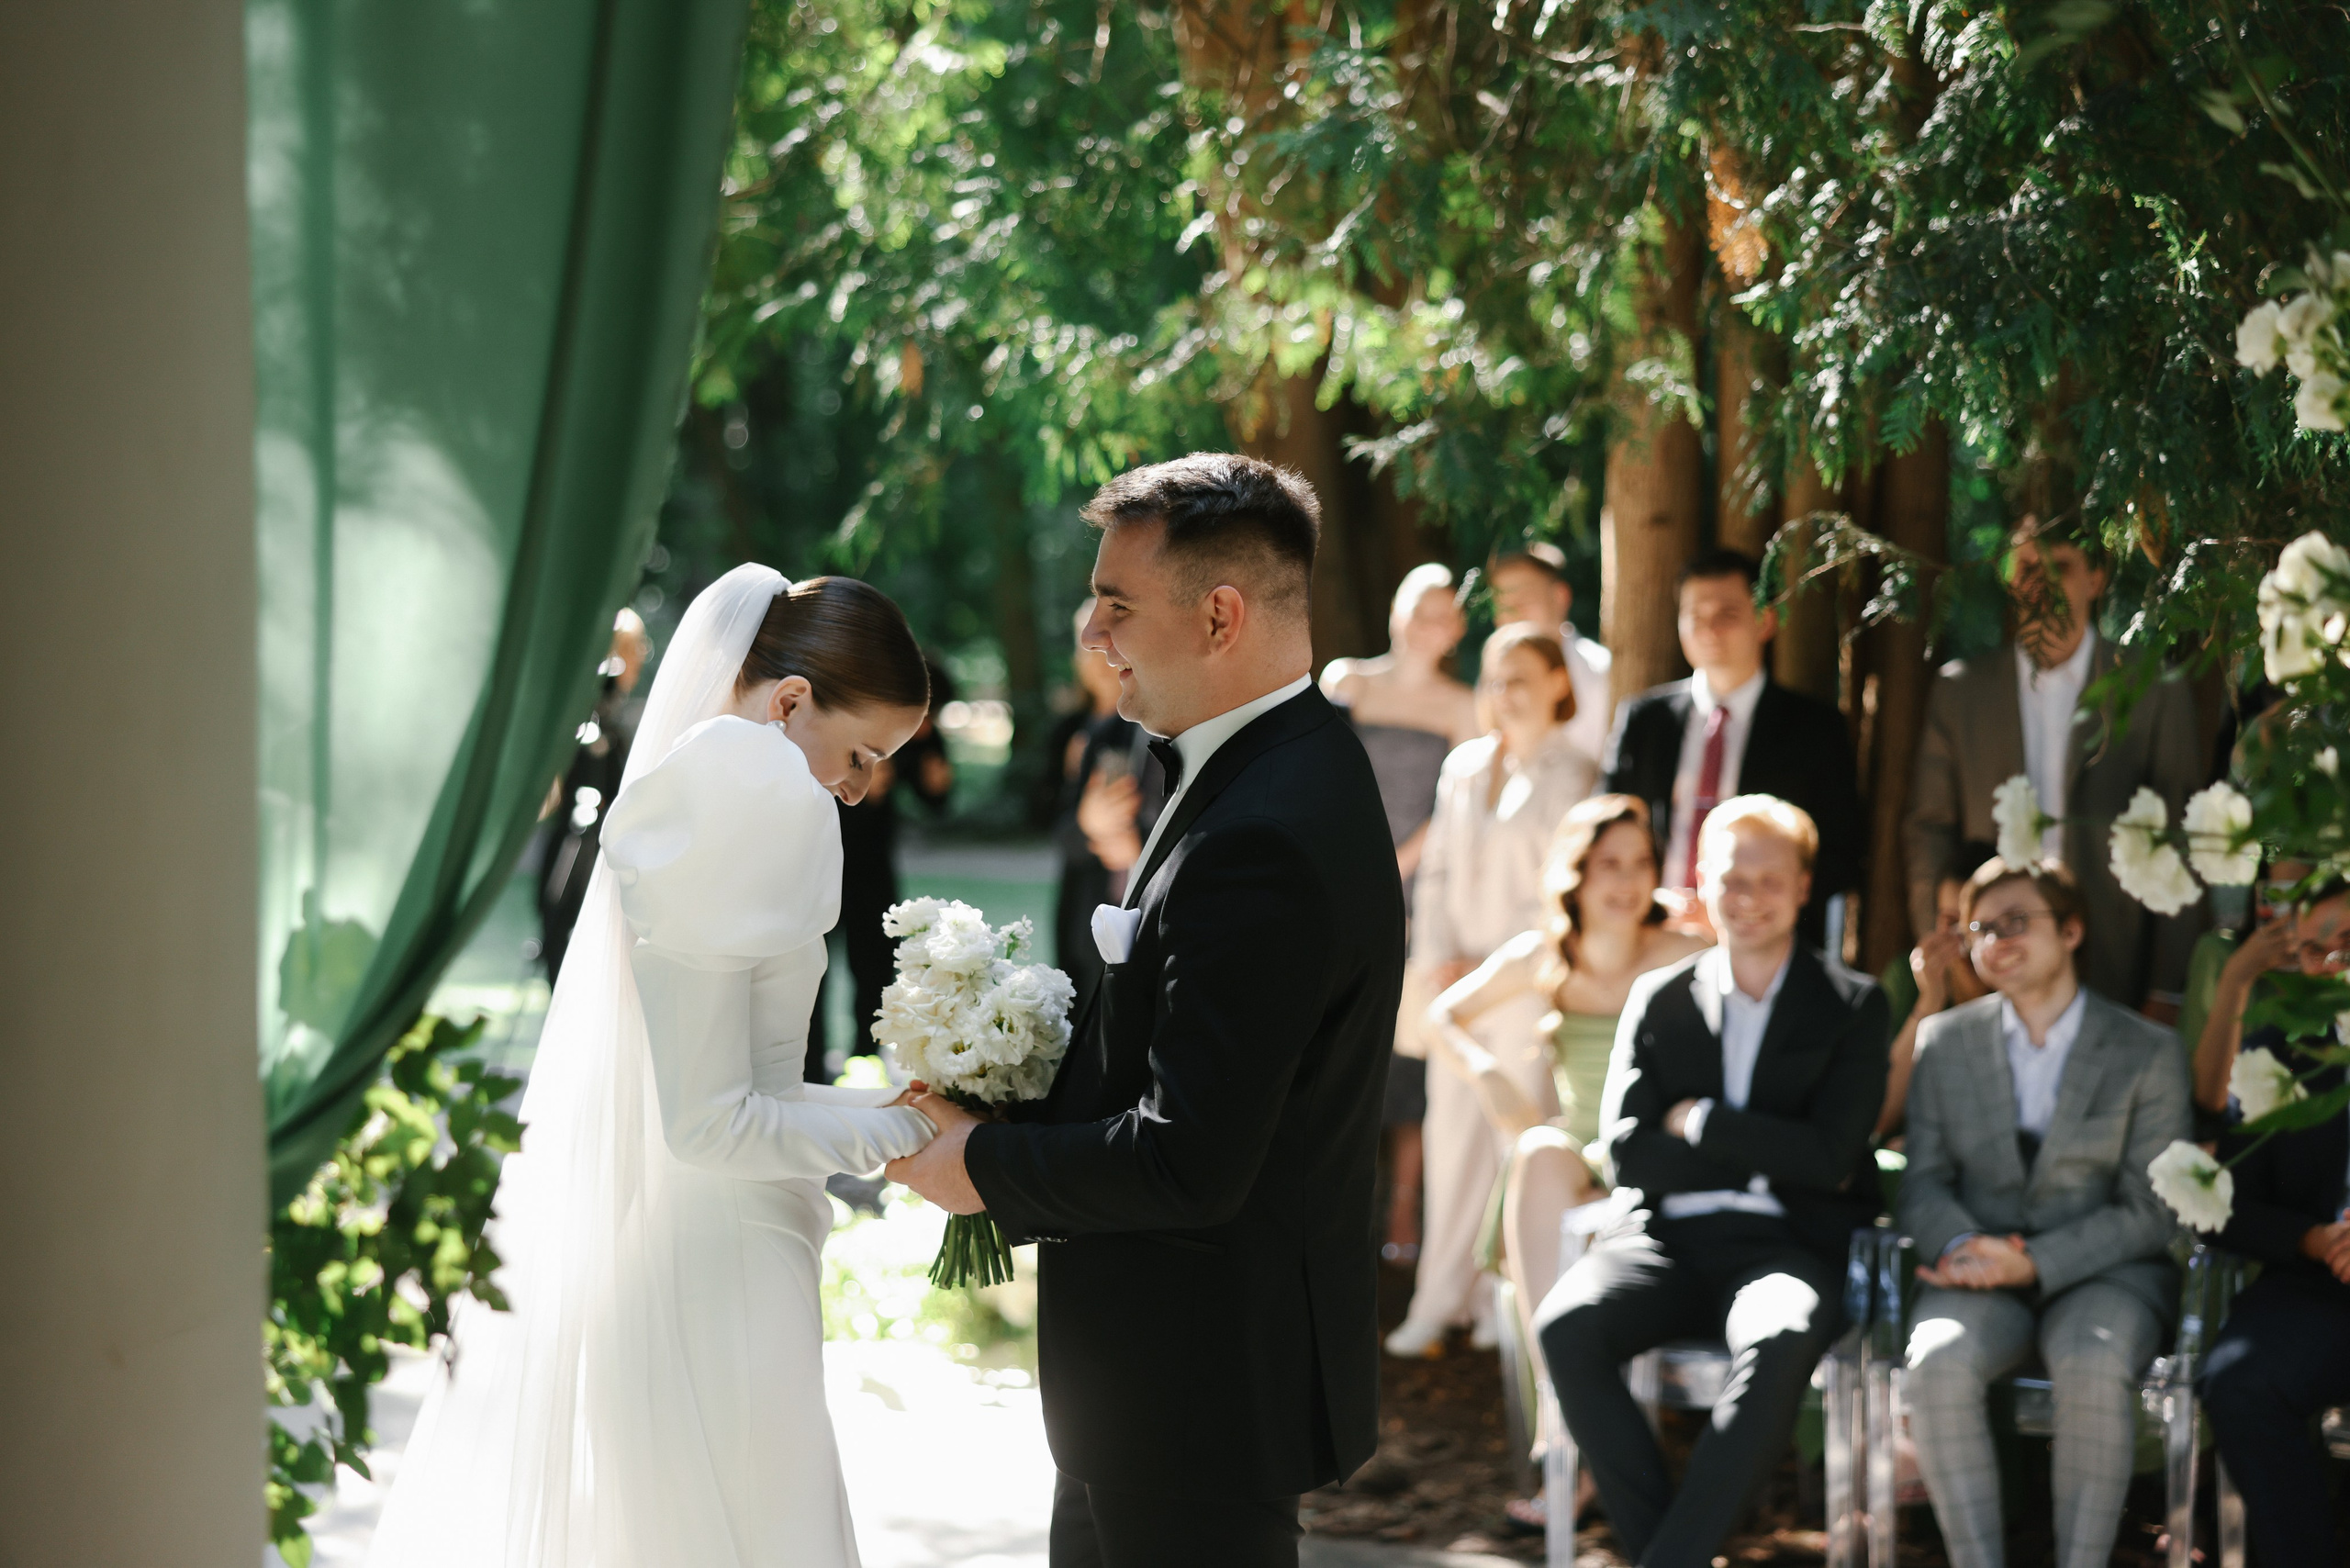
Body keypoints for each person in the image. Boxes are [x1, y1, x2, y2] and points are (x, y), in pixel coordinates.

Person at [368, 567, 946, 1568]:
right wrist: (910, 1132)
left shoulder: (714, 782)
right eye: (860, 755)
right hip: (721, 1258)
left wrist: (897, 1105)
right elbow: (714, 1122)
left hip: (707, 1237)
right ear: (791, 701)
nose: (859, 787)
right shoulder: (751, 789)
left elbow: (749, 1089)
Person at [886, 454, 1404, 1568]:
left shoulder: (1264, 830)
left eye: (1115, 605)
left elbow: (1189, 1161)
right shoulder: (1266, 764)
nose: (1091, 634)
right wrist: (1013, 1101)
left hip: (1198, 1395)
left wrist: (981, 1165)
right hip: (1158, 1386)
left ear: (1218, 615)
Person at [1534, 796, 1888, 1568]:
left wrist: (1699, 1121)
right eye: (1732, 878)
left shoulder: (1852, 1005)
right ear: (1701, 881)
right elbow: (1628, 1154)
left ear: (1803, 887)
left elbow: (1830, 1159)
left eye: (1770, 880)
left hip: (1786, 1246)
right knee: (1566, 1324)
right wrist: (1770, 1148)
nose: (1749, 897)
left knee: (1782, 1333)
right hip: (1663, 1239)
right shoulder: (1658, 998)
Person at [1422, 794, 1709, 1529]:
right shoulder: (1544, 954)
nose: (1626, 880)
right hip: (1577, 1156)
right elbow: (1439, 1013)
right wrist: (1489, 1073)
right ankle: (1567, 1432)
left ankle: (1578, 1453)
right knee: (1537, 1151)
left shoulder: (1682, 952)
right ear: (1575, 874)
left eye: (1640, 863)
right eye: (1609, 863)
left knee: (1553, 1173)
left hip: (1654, 1154)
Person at [1897, 857, 2191, 1568]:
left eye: (2016, 922)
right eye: (1980, 929)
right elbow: (1922, 1183)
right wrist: (1962, 1246)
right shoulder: (1943, 1041)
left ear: (2072, 931)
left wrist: (2031, 1262)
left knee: (2092, 1361)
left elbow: (2154, 1208)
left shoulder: (2148, 1050)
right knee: (1936, 1362)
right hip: (1975, 1269)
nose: (1996, 941)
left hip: (2107, 1274)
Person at [1387, 623, 1594, 1356]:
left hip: (1525, 988)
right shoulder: (1465, 765)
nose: (1505, 694)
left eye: (1522, 679)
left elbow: (1562, 893)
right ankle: (1437, 1301)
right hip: (1453, 989)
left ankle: (1500, 1306)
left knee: (1516, 1143)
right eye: (1496, 679)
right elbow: (1437, 871)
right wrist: (1438, 957)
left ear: (1559, 683)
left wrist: (1488, 967)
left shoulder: (1578, 774)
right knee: (1450, 1143)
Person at [1905, 514, 2206, 1014]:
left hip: (2115, 961)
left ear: (2096, 578)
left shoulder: (2153, 689)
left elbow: (2182, 838)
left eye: (2060, 566)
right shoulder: (1961, 692)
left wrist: (2167, 986)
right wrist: (1944, 953)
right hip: (1988, 963)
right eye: (2027, 567)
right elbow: (1929, 828)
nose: (2040, 582)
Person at [1321, 561, 1481, 1263]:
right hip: (1336, 878)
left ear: (1458, 629)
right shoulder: (1347, 682)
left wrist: (1394, 871)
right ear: (1395, 611)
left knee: (1406, 1056)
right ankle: (1338, 1201)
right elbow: (1318, 776)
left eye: (1445, 614)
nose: (1429, 625)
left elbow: (1459, 811)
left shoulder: (1464, 706)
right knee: (1336, 1045)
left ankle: (1404, 1210)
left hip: (1418, 891)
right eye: (1420, 608)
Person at [1602, 548, 1863, 946]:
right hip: (1649, 933)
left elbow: (1838, 852)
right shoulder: (1644, 720)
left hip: (1760, 940)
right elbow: (1606, 829)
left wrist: (1734, 909)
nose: (1710, 630)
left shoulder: (1814, 729)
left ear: (1765, 621)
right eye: (1695, 616)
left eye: (1727, 615)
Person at [2199, 888, 2350, 1567]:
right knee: (2242, 1382)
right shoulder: (2275, 1052)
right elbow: (2227, 1206)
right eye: (2314, 950)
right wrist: (2314, 1239)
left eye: (2348, 942)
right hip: (2318, 1280)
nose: (2332, 964)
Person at [537, 608, 649, 980]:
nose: (640, 657)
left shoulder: (611, 720)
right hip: (578, 854)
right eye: (635, 648)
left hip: (595, 850)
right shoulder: (589, 719)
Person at [1875, 841, 1995, 1138]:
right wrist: (1929, 1002)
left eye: (1975, 924)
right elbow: (1879, 1115)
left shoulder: (2019, 987)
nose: (1964, 937)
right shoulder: (1907, 979)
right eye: (1951, 921)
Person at [2184, 859, 2309, 1125]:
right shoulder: (2219, 955)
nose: (2288, 916)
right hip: (2236, 1132)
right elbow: (2207, 1100)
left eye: (2304, 898)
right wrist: (2238, 978)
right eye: (2276, 896)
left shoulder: (2336, 971)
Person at [1051, 599, 1132, 1005]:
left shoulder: (1147, 727)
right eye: (1085, 646)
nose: (1096, 655)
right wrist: (1088, 823)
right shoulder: (1072, 730)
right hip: (1081, 892)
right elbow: (1055, 822)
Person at [1489, 541, 1614, 773]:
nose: (1513, 615)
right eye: (1503, 605)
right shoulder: (1492, 675)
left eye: (1524, 600)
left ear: (1560, 597)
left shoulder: (1601, 670)